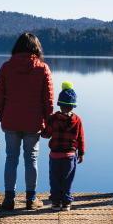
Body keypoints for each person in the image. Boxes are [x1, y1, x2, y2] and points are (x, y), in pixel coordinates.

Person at [0, 33, 54, 210]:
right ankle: (31, 199)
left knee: (11, 159)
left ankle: (9, 200)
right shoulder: (43, 69)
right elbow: (48, 101)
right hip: (33, 123)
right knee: (31, 159)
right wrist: (47, 123)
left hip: (11, 121)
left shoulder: (6, 67)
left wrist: (3, 118)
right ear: (37, 48)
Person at [41, 81, 85, 211]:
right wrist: (81, 153)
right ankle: (66, 203)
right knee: (67, 179)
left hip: (55, 155)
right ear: (73, 106)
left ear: (59, 104)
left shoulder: (53, 119)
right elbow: (81, 138)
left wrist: (42, 125)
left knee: (55, 178)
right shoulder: (77, 120)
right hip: (70, 155)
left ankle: (55, 202)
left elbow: (45, 135)